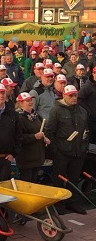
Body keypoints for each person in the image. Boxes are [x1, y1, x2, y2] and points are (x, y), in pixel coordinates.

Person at [44, 85, 89, 215]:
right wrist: (56, 151)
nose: (74, 98)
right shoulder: (56, 110)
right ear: (64, 95)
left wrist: (84, 147)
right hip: (62, 152)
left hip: (78, 151)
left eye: (75, 95)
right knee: (59, 179)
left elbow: (86, 131)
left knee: (74, 179)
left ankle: (72, 202)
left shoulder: (82, 111)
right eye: (71, 96)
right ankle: (59, 203)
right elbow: (49, 131)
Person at [15, 92, 48, 183]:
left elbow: (43, 130)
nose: (31, 102)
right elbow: (18, 137)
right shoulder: (18, 118)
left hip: (37, 157)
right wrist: (34, 137)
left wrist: (45, 137)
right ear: (20, 103)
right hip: (26, 158)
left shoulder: (37, 116)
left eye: (31, 100)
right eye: (27, 101)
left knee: (34, 182)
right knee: (26, 183)